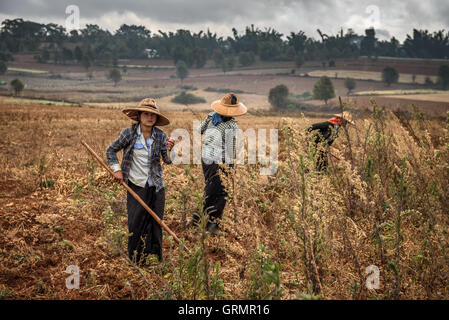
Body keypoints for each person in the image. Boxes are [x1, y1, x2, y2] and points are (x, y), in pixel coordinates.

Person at [106, 98, 174, 263]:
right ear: (139, 115)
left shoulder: (160, 135)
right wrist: (117, 170)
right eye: (146, 114)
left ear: (156, 118)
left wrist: (170, 149)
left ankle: (155, 260)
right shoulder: (128, 134)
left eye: (153, 115)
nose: (149, 118)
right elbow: (111, 151)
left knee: (156, 222)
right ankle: (136, 260)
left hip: (156, 186)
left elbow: (167, 160)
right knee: (136, 222)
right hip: (136, 185)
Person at [191, 93, 247, 235]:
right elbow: (229, 149)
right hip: (219, 160)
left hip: (206, 159)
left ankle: (206, 223)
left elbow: (199, 130)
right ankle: (203, 221)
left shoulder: (211, 116)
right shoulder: (231, 125)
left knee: (212, 188)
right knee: (221, 192)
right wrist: (230, 168)